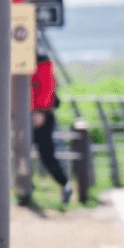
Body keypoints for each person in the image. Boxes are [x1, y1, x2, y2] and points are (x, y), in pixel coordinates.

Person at [31, 53, 73, 204]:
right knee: (19, 151)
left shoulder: (43, 64)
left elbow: (46, 89)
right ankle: (24, 187)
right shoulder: (29, 64)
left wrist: (41, 111)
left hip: (40, 114)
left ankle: (64, 184)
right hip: (27, 113)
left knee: (46, 153)